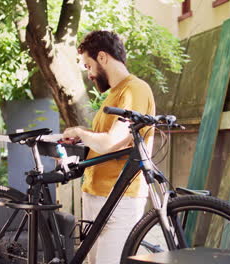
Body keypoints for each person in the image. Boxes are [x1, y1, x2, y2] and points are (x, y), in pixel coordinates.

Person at [62, 30, 156, 264]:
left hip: (120, 199)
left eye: (88, 65)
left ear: (102, 57)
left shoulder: (135, 89)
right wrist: (79, 143)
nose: (89, 73)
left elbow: (113, 141)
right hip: (96, 195)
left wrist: (79, 131)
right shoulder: (113, 94)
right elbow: (104, 140)